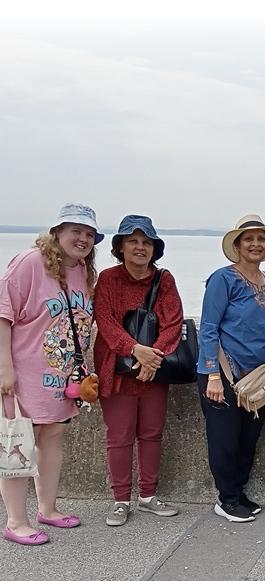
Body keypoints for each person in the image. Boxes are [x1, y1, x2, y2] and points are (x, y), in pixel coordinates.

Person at [0, 203, 103, 545]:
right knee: (17, 443)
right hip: (23, 374)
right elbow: (3, 313)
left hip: (62, 378)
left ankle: (48, 508)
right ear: (57, 232)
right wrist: (4, 368)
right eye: (75, 231)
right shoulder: (30, 262)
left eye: (89, 234)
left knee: (53, 437)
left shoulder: (84, 269)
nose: (83, 239)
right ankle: (16, 521)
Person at [197, 214, 265, 523]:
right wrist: (212, 375)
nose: (255, 244)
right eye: (248, 239)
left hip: (256, 378)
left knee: (247, 440)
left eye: (261, 239)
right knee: (224, 440)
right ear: (238, 245)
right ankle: (226, 500)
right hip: (222, 374)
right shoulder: (222, 279)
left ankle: (237, 493)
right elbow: (208, 328)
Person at [93, 215, 183, 526]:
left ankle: (147, 495)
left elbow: (173, 321)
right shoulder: (107, 279)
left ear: (155, 248)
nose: (140, 247)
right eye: (133, 241)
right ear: (120, 246)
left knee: (151, 434)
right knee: (119, 436)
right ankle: (120, 500)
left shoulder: (164, 280)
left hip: (154, 370)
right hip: (117, 369)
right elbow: (105, 321)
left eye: (146, 242)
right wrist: (136, 351)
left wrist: (151, 359)